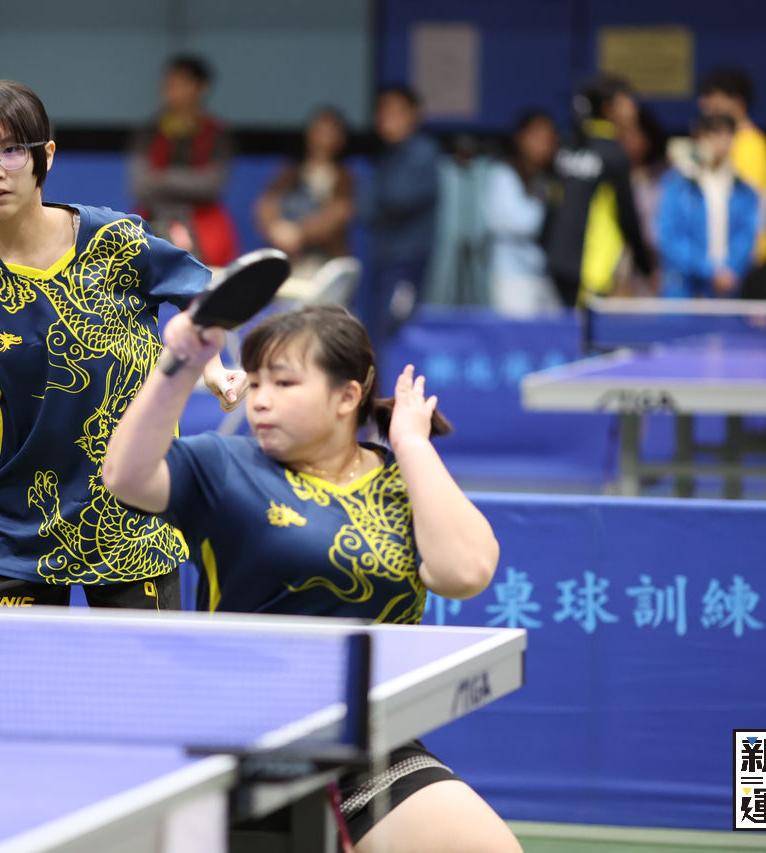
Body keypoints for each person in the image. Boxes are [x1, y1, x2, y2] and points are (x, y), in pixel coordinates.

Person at [101, 304, 515, 851]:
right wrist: (178, 364)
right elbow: (125, 477)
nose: (261, 399)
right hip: (235, 750)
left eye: (285, 382)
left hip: (365, 745)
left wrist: (412, 445)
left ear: (346, 397)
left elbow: (465, 572)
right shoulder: (223, 465)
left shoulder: (403, 481)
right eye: (256, 381)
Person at [0, 80, 243, 609]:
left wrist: (213, 368)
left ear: (45, 155)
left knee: (139, 668)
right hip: (19, 530)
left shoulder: (117, 240)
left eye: (11, 150)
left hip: (134, 519)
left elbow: (202, 301)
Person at [544, 75, 654, 306]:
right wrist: (646, 267)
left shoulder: (567, 146)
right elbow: (627, 216)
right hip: (590, 266)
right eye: (627, 102)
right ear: (608, 109)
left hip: (556, 262)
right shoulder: (614, 154)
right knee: (581, 328)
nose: (633, 109)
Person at [129, 54, 239, 267]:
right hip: (152, 215)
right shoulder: (148, 131)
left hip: (203, 221)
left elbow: (212, 185)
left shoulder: (217, 133)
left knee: (210, 261)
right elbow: (140, 185)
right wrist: (188, 181)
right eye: (169, 84)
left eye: (182, 84)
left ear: (201, 88)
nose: (172, 91)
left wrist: (161, 177)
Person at [359, 86, 440, 350]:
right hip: (383, 259)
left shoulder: (422, 151)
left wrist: (378, 202)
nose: (386, 118)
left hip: (407, 262)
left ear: (414, 115)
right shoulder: (387, 155)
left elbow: (397, 199)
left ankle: (397, 380)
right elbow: (365, 211)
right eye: (382, 111)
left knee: (395, 331)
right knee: (374, 333)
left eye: (395, 111)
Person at [656, 113, 759, 299]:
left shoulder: (744, 190)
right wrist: (709, 271)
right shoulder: (677, 184)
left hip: (728, 289)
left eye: (729, 134)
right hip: (685, 290)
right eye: (715, 133)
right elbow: (669, 237)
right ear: (699, 137)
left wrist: (728, 271)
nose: (723, 141)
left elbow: (746, 236)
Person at [254, 107, 355, 280]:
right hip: (286, 260)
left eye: (330, 133)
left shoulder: (344, 178)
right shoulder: (289, 171)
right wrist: (275, 229)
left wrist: (299, 233)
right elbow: (267, 203)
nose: (323, 138)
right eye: (319, 131)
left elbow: (337, 215)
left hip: (322, 264)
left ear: (341, 138)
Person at [481, 109, 559, 316]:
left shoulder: (549, 178)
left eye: (548, 138)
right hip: (511, 275)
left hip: (544, 275)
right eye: (536, 136)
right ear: (520, 138)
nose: (543, 144)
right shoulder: (503, 173)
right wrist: (552, 216)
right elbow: (514, 222)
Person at [698, 68, 766, 265]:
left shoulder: (749, 142)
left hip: (744, 259)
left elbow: (753, 205)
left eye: (712, 96)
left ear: (738, 102)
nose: (705, 103)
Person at [615, 105, 669, 296]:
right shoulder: (611, 174)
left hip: (653, 268)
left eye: (634, 133)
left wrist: (651, 267)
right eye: (623, 133)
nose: (627, 139)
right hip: (615, 266)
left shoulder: (664, 177)